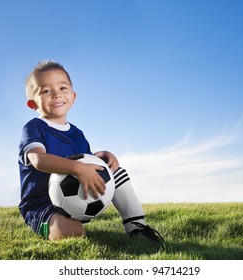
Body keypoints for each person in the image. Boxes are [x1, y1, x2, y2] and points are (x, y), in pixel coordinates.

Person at [18, 60, 163, 242]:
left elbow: (86, 163)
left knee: (114, 171)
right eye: (46, 91)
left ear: (73, 95)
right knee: (73, 232)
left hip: (75, 199)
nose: (56, 94)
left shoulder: (76, 133)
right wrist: (77, 169)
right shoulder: (34, 128)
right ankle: (46, 225)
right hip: (42, 205)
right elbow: (39, 160)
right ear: (33, 104)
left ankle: (136, 227)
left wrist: (101, 157)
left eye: (62, 88)